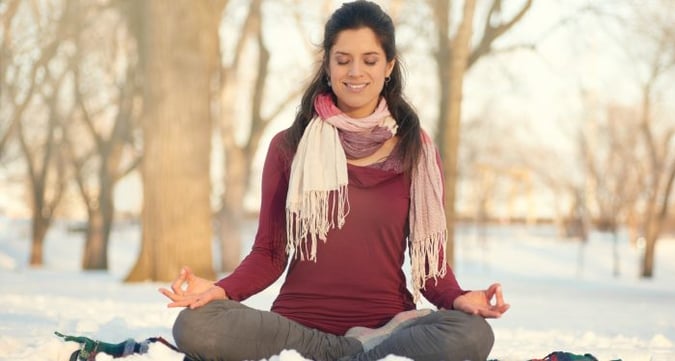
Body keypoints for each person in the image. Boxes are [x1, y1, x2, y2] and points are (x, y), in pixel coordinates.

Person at [159, 1, 509, 360]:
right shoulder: (289, 145)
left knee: (473, 335)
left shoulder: (415, 150)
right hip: (296, 328)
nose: (355, 72)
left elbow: (430, 267)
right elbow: (269, 254)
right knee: (194, 325)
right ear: (327, 65)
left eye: (369, 60)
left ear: (388, 66)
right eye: (343, 60)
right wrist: (220, 291)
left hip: (387, 328)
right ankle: (351, 353)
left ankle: (351, 350)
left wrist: (459, 298)